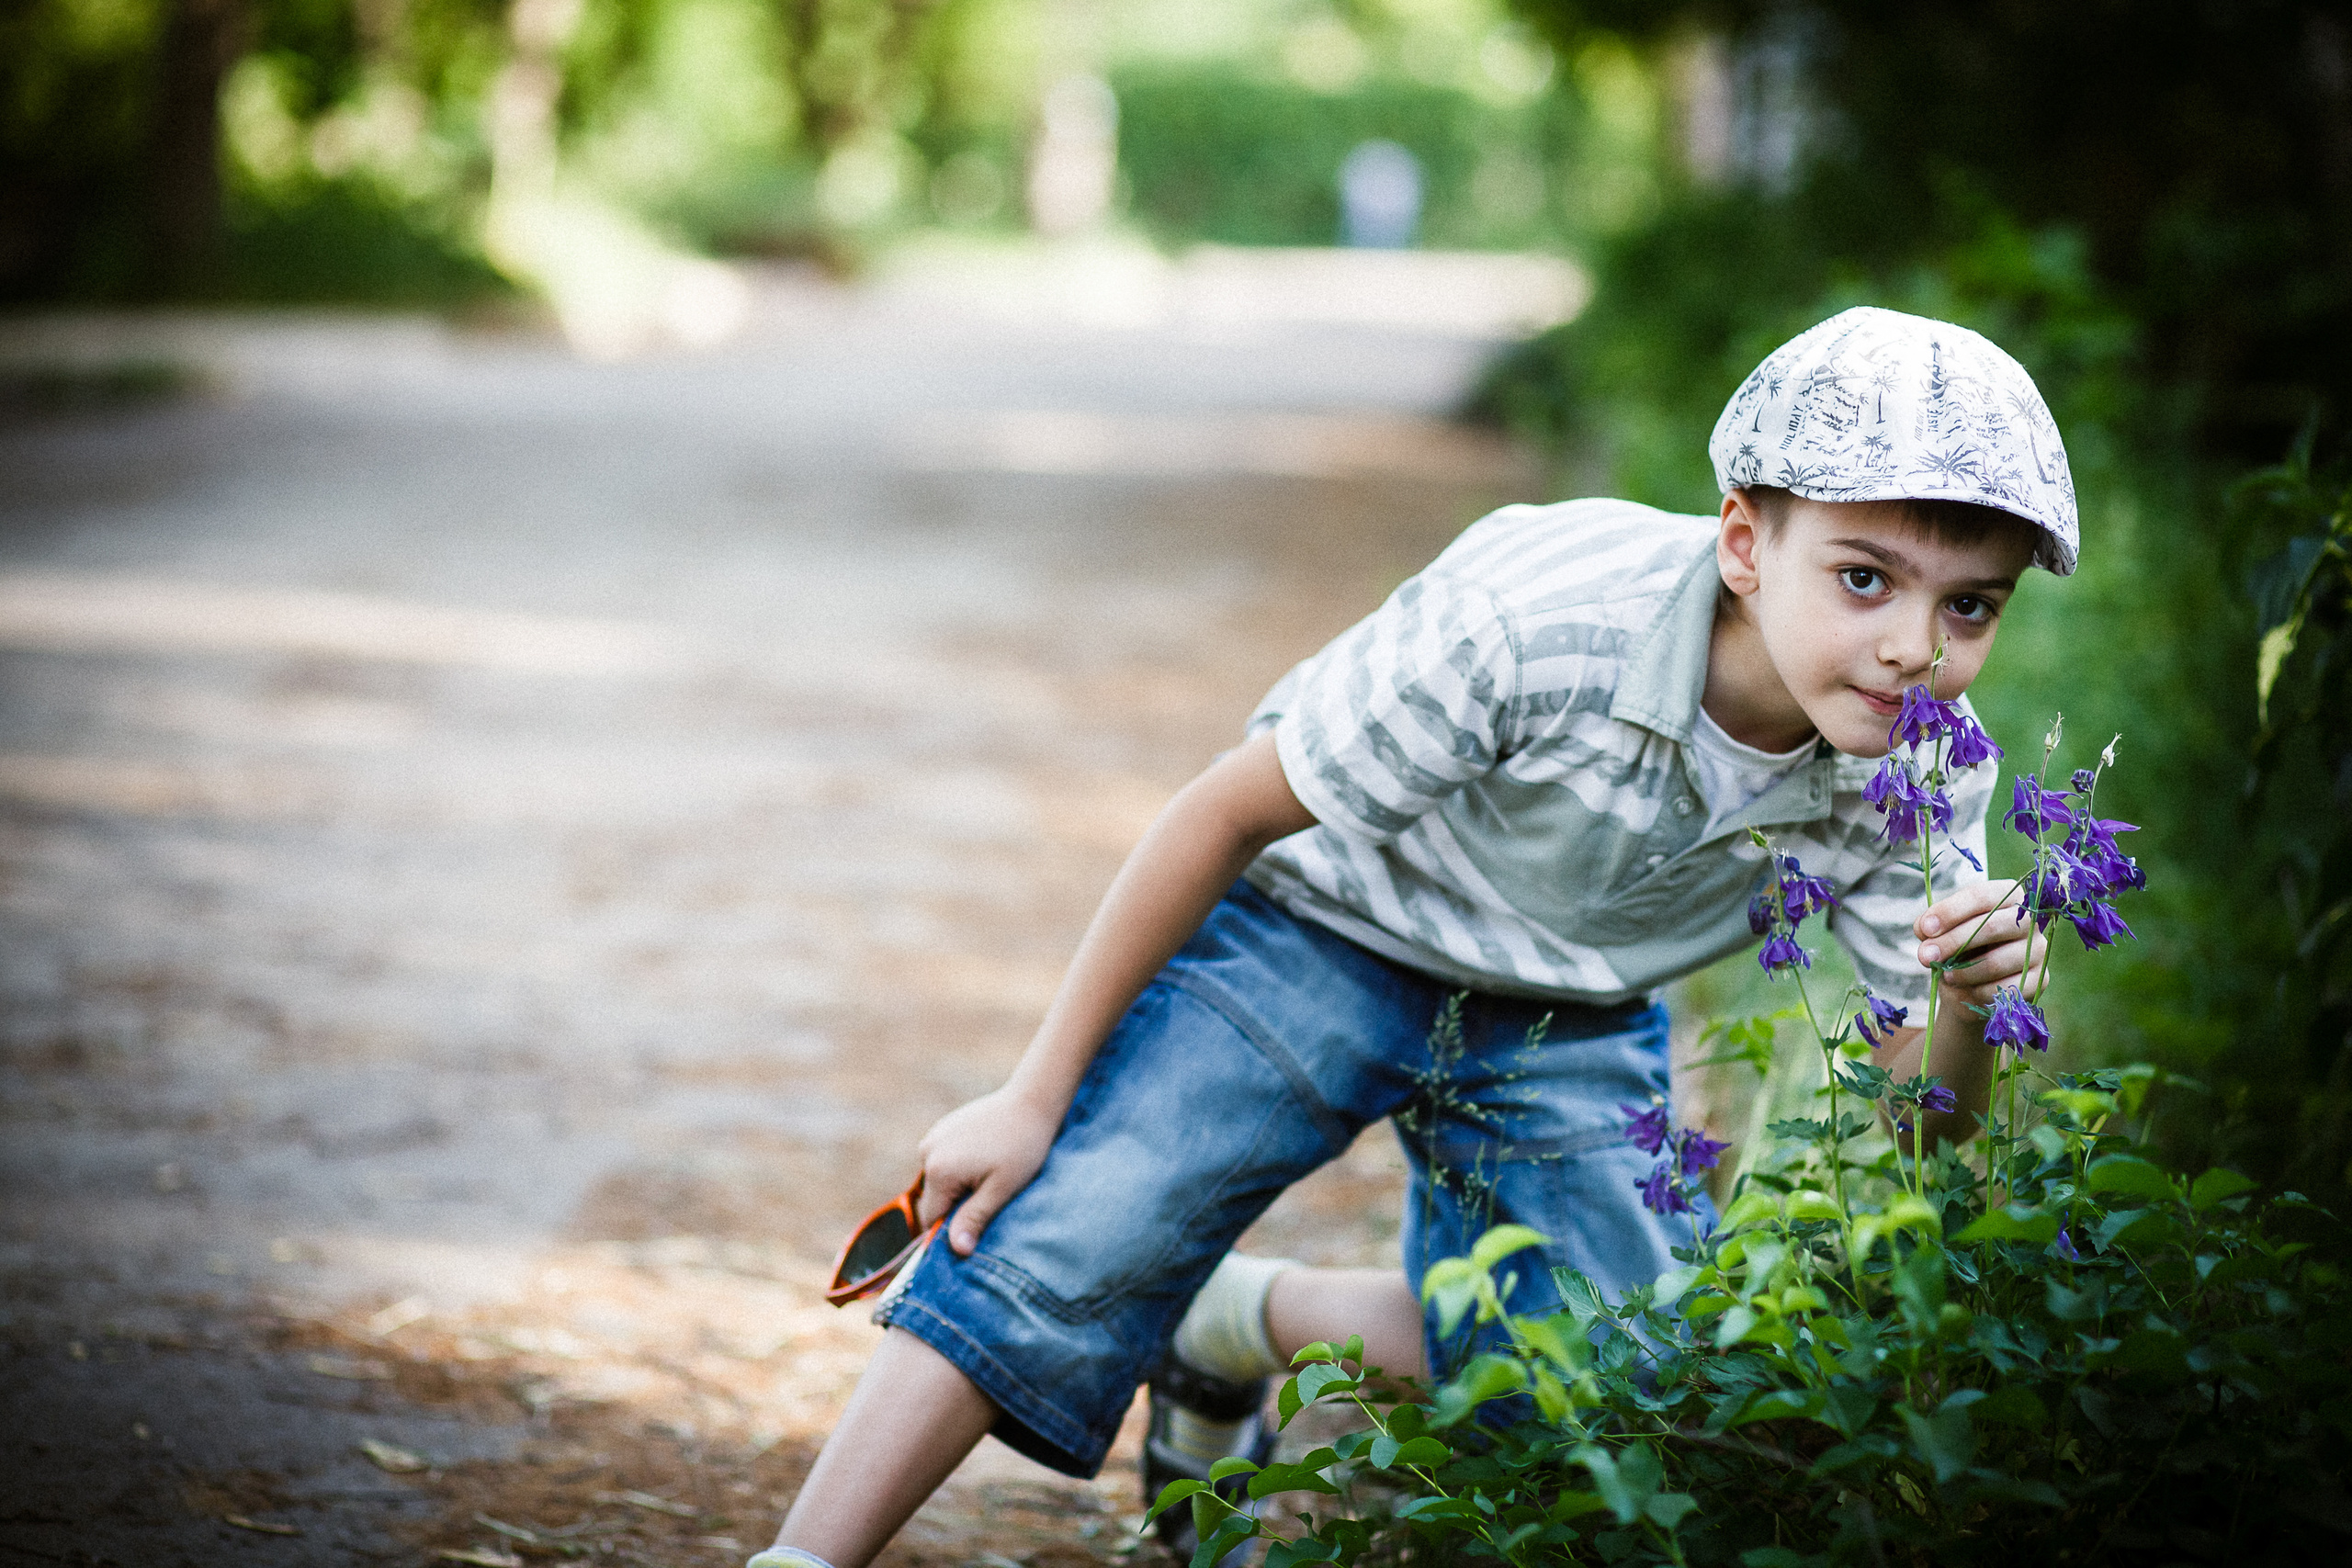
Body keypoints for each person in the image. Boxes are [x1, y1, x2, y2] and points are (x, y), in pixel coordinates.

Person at [744, 306, 2078, 1568]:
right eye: (1865, 580)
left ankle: (1240, 1324)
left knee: (1613, 1382)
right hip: (1328, 927)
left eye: (1971, 605)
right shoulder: (1540, 620)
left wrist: (1964, 1007)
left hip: (1569, 1012)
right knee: (1082, 1223)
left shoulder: (1921, 766)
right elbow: (1222, 811)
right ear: (1745, 543)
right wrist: (1033, 1097)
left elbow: (1920, 1139)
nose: (1916, 648)